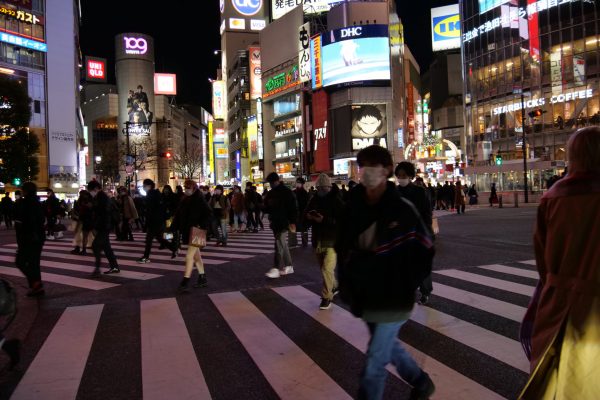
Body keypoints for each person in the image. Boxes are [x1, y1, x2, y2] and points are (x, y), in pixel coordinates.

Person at [336, 146, 435, 400]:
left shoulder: (402, 209)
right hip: (365, 294)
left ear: (387, 170)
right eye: (362, 166)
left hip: (395, 296)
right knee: (387, 345)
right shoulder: (351, 208)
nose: (366, 172)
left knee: (374, 363)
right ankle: (420, 381)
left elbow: (425, 247)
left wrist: (406, 283)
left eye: (372, 166)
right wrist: (347, 286)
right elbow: (342, 249)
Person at [519, 127, 600, 399]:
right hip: (594, 309)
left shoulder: (554, 196)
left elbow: (542, 256)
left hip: (557, 302)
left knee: (554, 379)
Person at [395, 161, 434, 305]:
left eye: (404, 175)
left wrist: (427, 232)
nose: (401, 178)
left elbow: (426, 214)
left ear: (410, 176)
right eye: (398, 175)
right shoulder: (395, 192)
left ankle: (425, 292)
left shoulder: (420, 192)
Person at [304, 173, 343, 310]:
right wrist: (309, 217)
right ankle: (335, 285)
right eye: (319, 188)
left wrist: (324, 220)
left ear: (329, 187)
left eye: (323, 188)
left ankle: (326, 297)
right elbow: (306, 213)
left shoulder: (337, 200)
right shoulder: (314, 199)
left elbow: (342, 220)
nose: (321, 191)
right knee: (324, 269)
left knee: (327, 268)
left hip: (333, 239)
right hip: (318, 239)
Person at [170, 180, 212, 293]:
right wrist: (172, 228)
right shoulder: (184, 200)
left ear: (194, 188)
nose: (186, 189)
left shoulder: (199, 199)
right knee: (196, 257)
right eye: (185, 187)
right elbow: (178, 215)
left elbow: (208, 214)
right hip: (188, 231)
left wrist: (201, 225)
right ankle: (202, 278)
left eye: (188, 187)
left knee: (189, 256)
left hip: (197, 231)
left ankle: (185, 281)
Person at [13, 182, 46, 296]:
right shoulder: (37, 202)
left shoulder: (25, 203)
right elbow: (41, 220)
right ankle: (37, 287)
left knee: (20, 261)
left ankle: (36, 284)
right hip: (38, 237)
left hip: (28, 238)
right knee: (34, 263)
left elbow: (24, 222)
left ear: (25, 191)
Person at [264, 172, 298, 279]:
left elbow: (293, 208)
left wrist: (292, 221)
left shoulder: (287, 192)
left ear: (276, 181)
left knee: (279, 243)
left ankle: (276, 268)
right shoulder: (271, 193)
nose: (271, 184)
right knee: (282, 244)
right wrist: (261, 206)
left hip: (284, 222)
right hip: (275, 222)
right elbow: (267, 207)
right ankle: (289, 266)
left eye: (271, 182)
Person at [137, 179, 176, 263]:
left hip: (155, 220)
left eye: (144, 186)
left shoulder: (152, 195)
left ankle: (146, 257)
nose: (143, 188)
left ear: (149, 186)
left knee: (149, 239)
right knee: (159, 238)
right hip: (157, 220)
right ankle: (174, 249)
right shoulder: (155, 194)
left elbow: (151, 210)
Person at [87, 180, 120, 276]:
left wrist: (93, 207)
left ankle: (97, 268)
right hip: (104, 226)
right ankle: (114, 267)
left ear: (96, 189)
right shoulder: (99, 197)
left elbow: (103, 213)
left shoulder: (102, 198)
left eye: (91, 190)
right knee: (106, 247)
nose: (90, 192)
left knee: (95, 245)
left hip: (104, 226)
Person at [70, 190, 94, 255]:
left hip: (84, 220)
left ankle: (83, 249)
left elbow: (83, 210)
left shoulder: (86, 202)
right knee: (81, 235)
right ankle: (81, 249)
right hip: (84, 220)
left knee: (84, 235)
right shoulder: (85, 201)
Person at [291, 177, 309, 247]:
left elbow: (306, 204)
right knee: (293, 229)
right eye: (297, 182)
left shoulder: (305, 193)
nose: (297, 184)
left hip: (302, 214)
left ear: (302, 184)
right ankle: (293, 242)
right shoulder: (293, 192)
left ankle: (304, 242)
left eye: (299, 182)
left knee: (303, 229)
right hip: (294, 214)